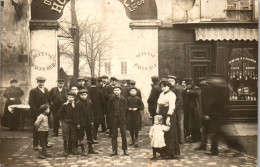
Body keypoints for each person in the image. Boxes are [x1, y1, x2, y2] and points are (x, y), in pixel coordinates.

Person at [156, 79, 180, 159]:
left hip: (169, 114)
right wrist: (157, 114)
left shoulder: (172, 94)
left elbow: (172, 106)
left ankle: (170, 153)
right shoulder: (161, 94)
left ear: (169, 86)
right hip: (162, 113)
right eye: (161, 86)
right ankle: (163, 151)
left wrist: (168, 117)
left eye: (164, 86)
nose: (163, 88)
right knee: (162, 133)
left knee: (170, 133)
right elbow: (158, 104)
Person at [29, 77, 51, 151]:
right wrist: (37, 112)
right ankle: (35, 144)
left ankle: (45, 143)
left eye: (43, 82)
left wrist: (48, 108)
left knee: (45, 128)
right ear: (37, 82)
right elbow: (31, 103)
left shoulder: (46, 90)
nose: (41, 83)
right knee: (37, 129)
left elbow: (48, 100)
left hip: (46, 113)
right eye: (40, 82)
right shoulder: (33, 91)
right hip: (37, 112)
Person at [75, 89, 98, 156]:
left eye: (85, 94)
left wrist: (91, 121)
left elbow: (91, 113)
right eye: (82, 95)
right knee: (81, 136)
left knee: (90, 135)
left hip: (88, 122)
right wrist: (78, 123)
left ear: (87, 95)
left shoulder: (89, 103)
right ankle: (83, 150)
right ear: (79, 95)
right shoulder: (78, 103)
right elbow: (76, 114)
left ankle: (90, 149)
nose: (83, 96)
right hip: (81, 123)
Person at [108, 85, 129, 156]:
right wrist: (111, 119)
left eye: (117, 90)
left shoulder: (123, 99)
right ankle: (114, 150)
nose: (116, 92)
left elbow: (125, 109)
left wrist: (124, 118)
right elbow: (109, 109)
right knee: (114, 135)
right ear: (113, 91)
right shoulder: (111, 99)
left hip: (122, 118)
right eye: (115, 90)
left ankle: (125, 150)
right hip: (114, 118)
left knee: (123, 134)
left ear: (120, 91)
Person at [58, 91, 79, 156]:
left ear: (74, 98)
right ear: (67, 97)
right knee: (66, 136)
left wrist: (73, 107)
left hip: (73, 123)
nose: (71, 98)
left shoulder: (76, 105)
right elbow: (59, 114)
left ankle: (74, 148)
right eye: (69, 97)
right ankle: (65, 149)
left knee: (74, 136)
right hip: (66, 122)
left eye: (72, 97)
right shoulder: (64, 105)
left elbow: (77, 114)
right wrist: (62, 121)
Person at [183, 78, 202, 142]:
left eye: (189, 84)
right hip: (189, 110)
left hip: (195, 109)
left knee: (196, 125)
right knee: (191, 124)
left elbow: (196, 93)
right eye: (187, 84)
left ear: (191, 84)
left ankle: (197, 138)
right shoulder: (186, 90)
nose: (187, 86)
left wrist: (189, 91)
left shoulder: (196, 88)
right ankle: (193, 137)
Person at [167, 75, 185, 144]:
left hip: (178, 109)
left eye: (172, 81)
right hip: (170, 109)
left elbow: (179, 100)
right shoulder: (168, 89)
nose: (170, 82)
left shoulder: (177, 89)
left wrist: (175, 108)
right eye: (169, 80)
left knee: (179, 123)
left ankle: (181, 140)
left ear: (175, 82)